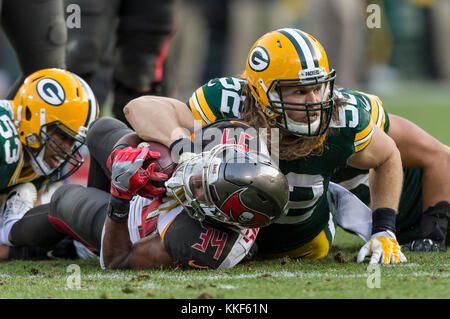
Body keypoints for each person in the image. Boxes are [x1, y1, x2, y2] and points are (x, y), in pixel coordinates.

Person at [124, 28, 407, 265]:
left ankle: (332, 197)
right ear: (261, 91)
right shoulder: (228, 101)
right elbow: (139, 108)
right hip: (229, 226)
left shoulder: (343, 115)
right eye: (299, 91)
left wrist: (384, 230)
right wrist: (182, 149)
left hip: (304, 239)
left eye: (318, 87)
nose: (313, 102)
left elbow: (388, 155)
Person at [0, 118, 290, 269]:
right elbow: (149, 107)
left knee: (64, 200)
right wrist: (126, 153)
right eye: (207, 171)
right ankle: (78, 240)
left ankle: (10, 230)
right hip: (154, 184)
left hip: (134, 226)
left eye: (202, 189)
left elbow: (117, 261)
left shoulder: (199, 245)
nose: (195, 180)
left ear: (217, 217)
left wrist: (120, 195)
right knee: (101, 129)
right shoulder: (242, 138)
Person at [0, 68, 99, 258]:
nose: (67, 148)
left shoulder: (38, 148)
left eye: (73, 140)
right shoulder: (5, 143)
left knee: (26, 193)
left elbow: (33, 204)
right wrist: (15, 253)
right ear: (31, 116)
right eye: (62, 135)